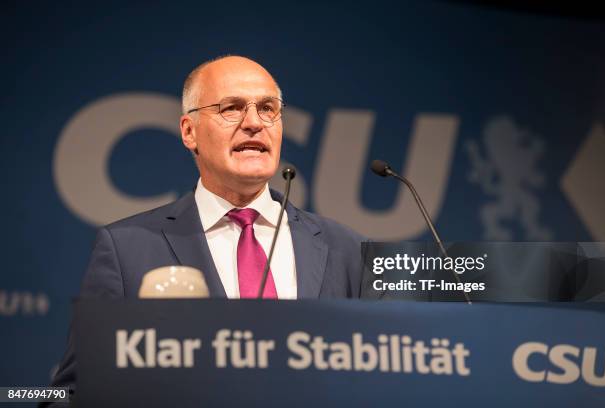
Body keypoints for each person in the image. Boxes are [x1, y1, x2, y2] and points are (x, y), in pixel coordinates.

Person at [46, 55, 365, 401]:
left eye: (268, 109)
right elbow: (71, 393)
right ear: (189, 131)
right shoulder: (127, 250)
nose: (254, 123)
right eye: (232, 108)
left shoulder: (348, 249)